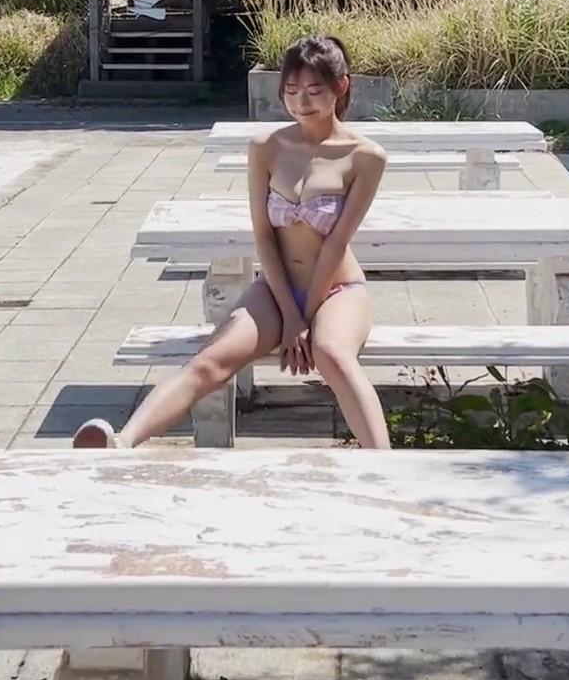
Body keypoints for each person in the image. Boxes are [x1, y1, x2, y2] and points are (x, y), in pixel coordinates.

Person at [72, 34, 391, 449]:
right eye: (291, 90)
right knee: (211, 361)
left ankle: (385, 462)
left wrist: (307, 315)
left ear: (341, 85)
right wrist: (290, 316)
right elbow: (264, 235)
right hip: (276, 288)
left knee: (332, 355)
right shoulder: (266, 147)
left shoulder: (366, 156)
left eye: (314, 90)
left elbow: (335, 244)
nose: (302, 102)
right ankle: (121, 442)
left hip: (337, 289)